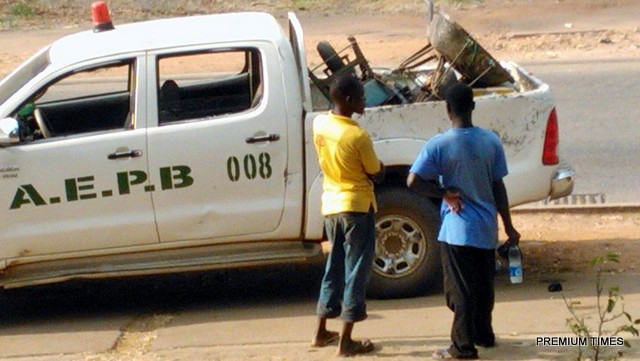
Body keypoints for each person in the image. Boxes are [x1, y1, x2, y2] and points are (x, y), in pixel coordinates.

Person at [407, 83, 520, 360]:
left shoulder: (439, 144)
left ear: (447, 110)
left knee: (458, 292)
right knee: (483, 286)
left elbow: (413, 181)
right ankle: (483, 334)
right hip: (485, 228)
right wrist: (508, 225)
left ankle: (462, 348)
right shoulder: (491, 141)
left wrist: (443, 193)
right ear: (473, 107)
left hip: (457, 230)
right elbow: (499, 187)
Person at [311, 74, 384, 357]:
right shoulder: (357, 135)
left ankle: (320, 332)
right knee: (356, 271)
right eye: (363, 98)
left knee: (335, 267)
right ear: (351, 101)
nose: (365, 102)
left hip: (330, 204)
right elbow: (375, 171)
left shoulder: (320, 123)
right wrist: (382, 171)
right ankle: (346, 341)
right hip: (356, 205)